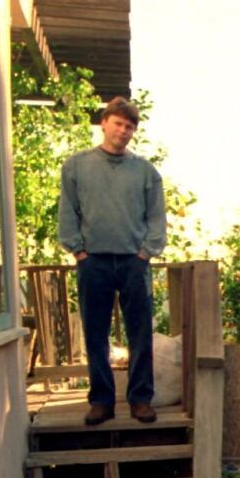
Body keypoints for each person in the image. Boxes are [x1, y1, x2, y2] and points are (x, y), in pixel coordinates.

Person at [58, 97, 166, 425]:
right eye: (118, 124)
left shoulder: (146, 172)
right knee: (95, 333)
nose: (123, 131)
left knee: (140, 333)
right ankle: (102, 401)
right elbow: (68, 211)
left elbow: (156, 217)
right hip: (94, 263)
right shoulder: (76, 166)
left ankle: (140, 399)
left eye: (130, 127)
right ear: (104, 123)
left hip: (135, 262)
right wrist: (78, 251)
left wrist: (147, 252)